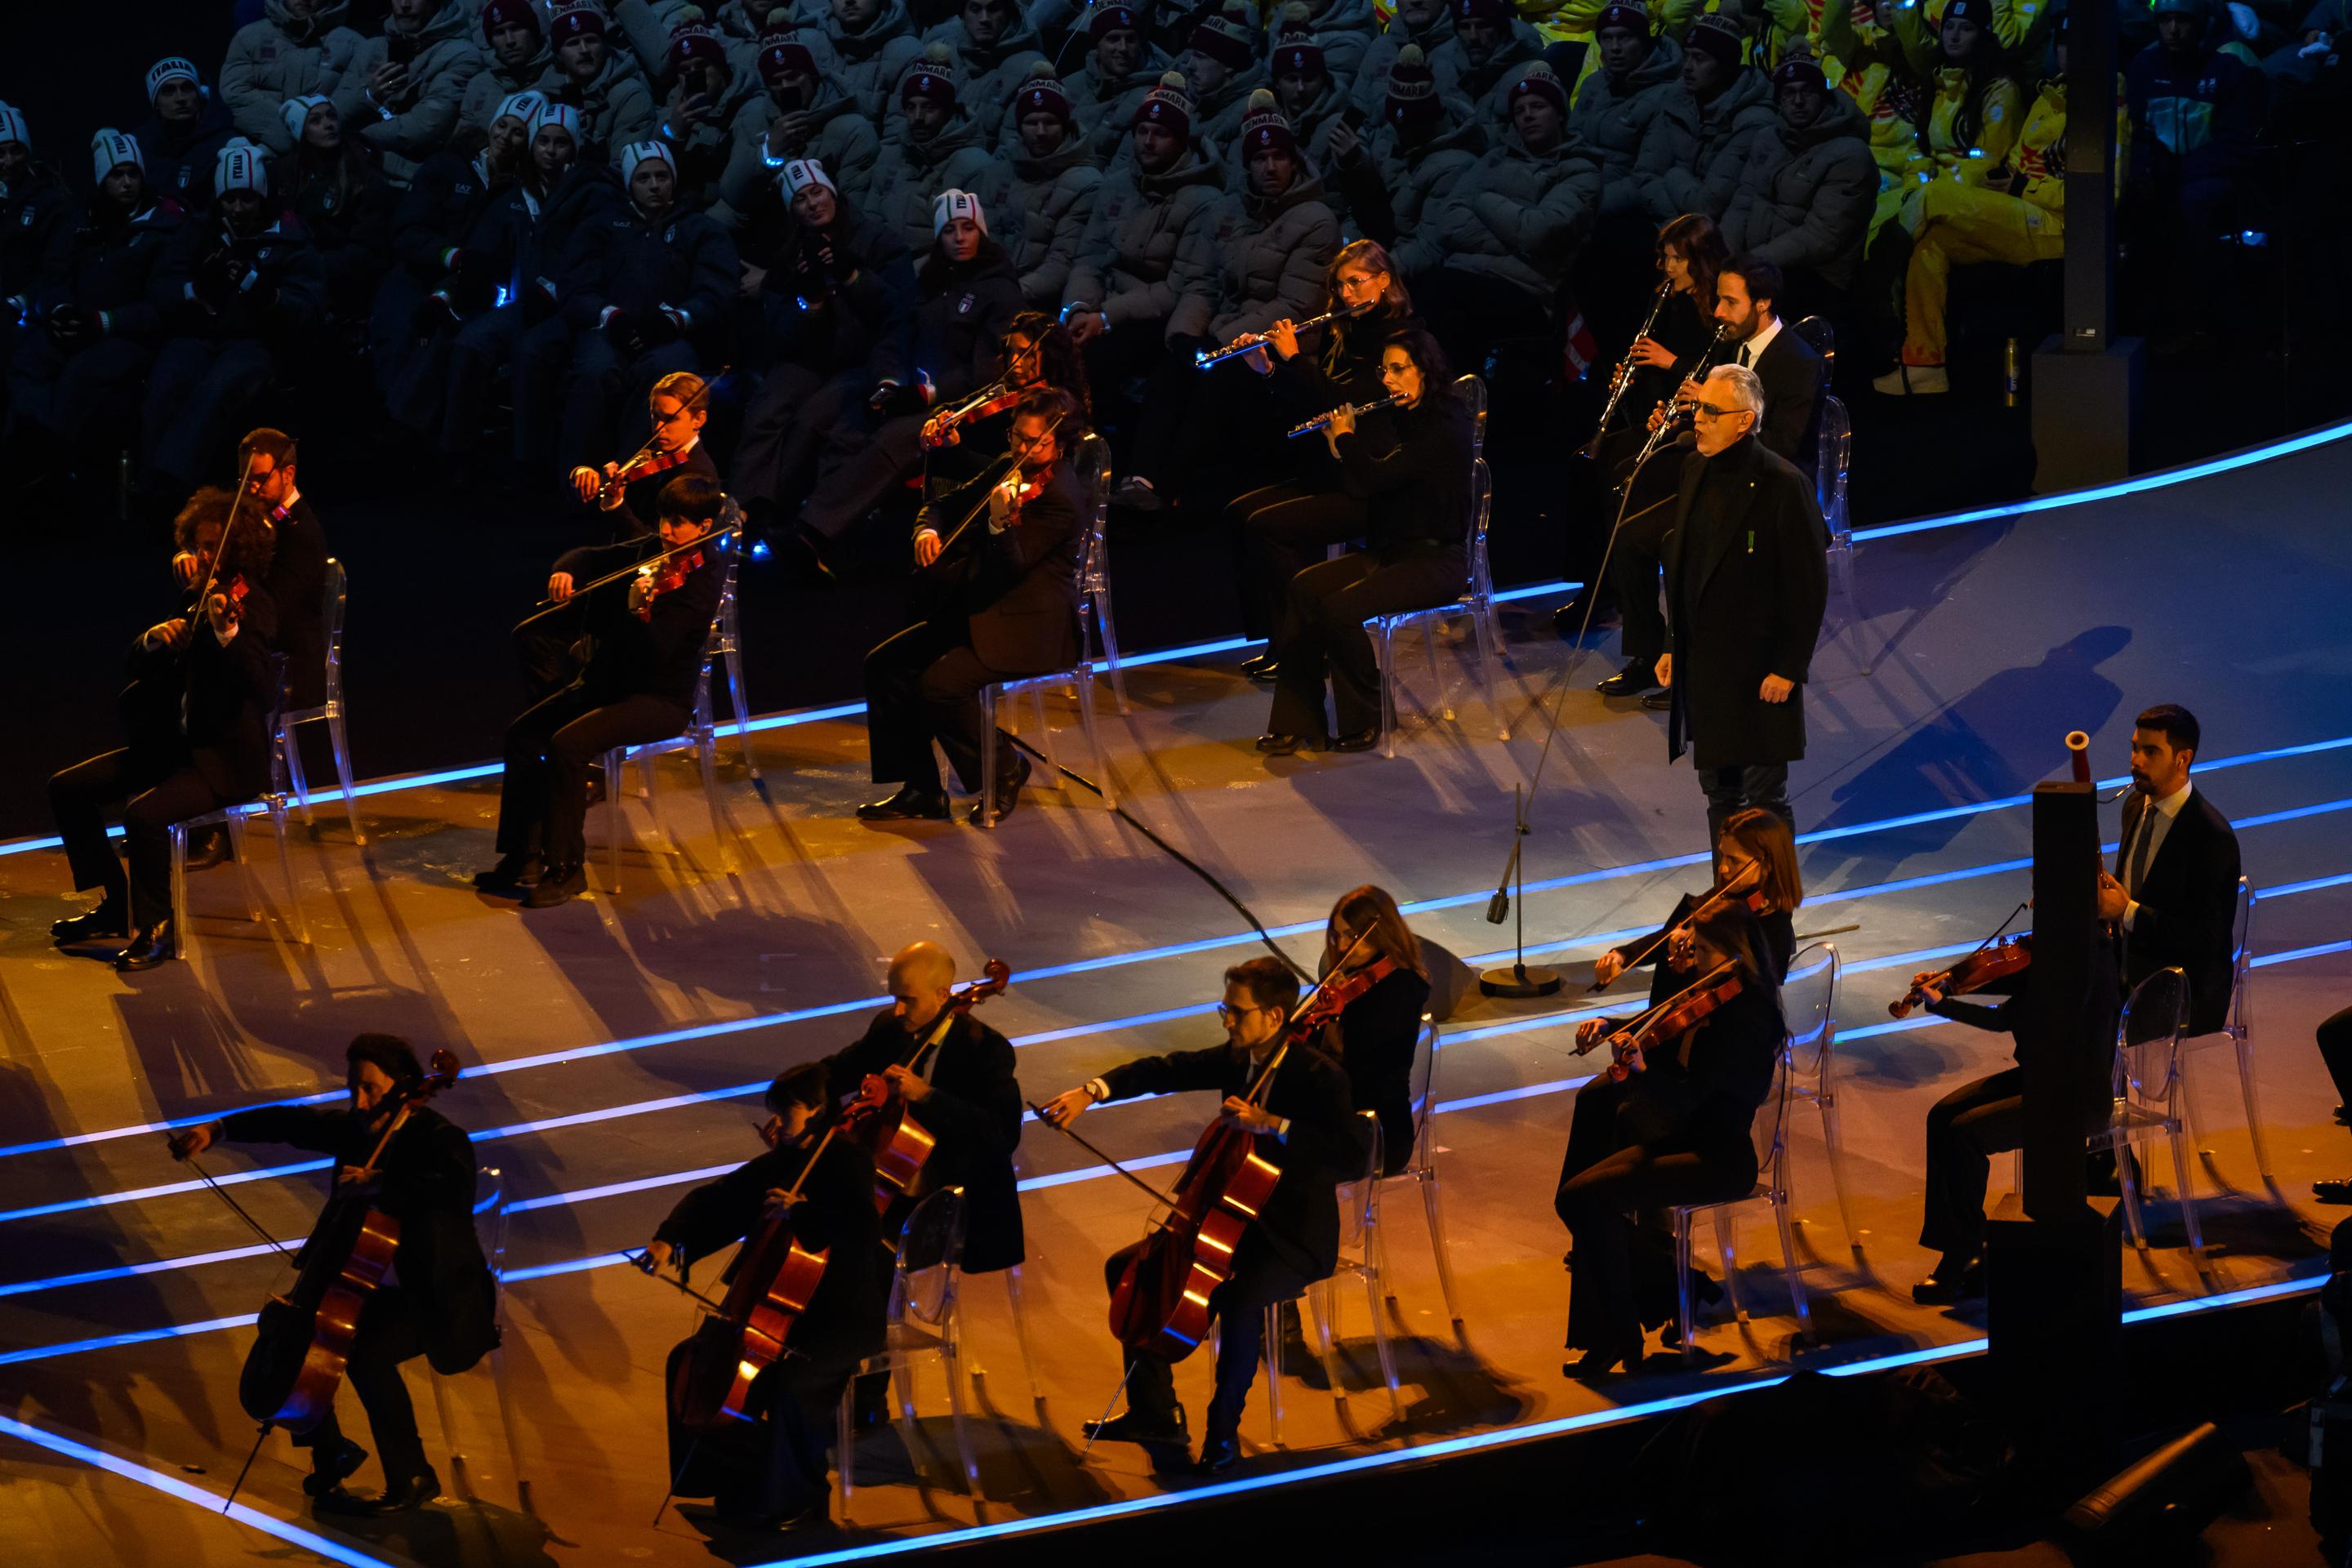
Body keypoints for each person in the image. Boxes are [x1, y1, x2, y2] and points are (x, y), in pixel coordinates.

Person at [1036, 955, 1357, 1472]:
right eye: (1224, 1010)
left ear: (1275, 1017)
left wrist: (1276, 1124)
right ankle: (1155, 1413)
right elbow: (1169, 1068)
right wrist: (1092, 1091)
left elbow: (1351, 1156)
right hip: (1229, 1222)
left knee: (1237, 1298)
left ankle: (1222, 1432)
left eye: (1237, 1011)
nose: (1228, 1021)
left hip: (1291, 1235)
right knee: (1129, 1269)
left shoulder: (1320, 1076)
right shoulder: (1239, 1060)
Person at [165, 1034, 499, 1512]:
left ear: (405, 1086)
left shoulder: (439, 1139)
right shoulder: (361, 1131)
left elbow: (451, 1191)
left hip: (434, 1294)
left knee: (364, 1353)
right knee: (298, 1331)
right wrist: (217, 1130)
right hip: (372, 1284)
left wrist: (380, 1183)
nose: (360, 1101)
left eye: (371, 1089)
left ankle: (412, 1475)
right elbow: (293, 1122)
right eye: (353, 1088)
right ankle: (332, 1452)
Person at [641, 1063, 884, 1532]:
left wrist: (806, 1213)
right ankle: (735, 1486)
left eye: (786, 1112)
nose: (776, 1122)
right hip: (782, 1314)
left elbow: (863, 1230)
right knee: (687, 1361)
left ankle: (801, 1499)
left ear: (816, 1110)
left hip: (840, 1316)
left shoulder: (847, 1160)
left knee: (790, 1384)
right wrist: (669, 1239)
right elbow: (718, 1198)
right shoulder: (783, 1161)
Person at [1554, 905, 1789, 1374]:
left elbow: (1693, 1098)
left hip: (1715, 1155)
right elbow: (1665, 1017)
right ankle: (1674, 1286)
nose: (1694, 959)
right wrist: (1619, 1026)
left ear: (1733, 953)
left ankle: (1620, 1336)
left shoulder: (1748, 1018)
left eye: (1703, 950)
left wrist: (1642, 1074)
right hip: (1680, 1137)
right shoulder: (1710, 993)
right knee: (1577, 1199)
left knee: (1585, 1202)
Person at [50, 490, 278, 968]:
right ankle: (117, 903)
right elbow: (136, 666)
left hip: (221, 761)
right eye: (198, 545)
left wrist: (226, 635)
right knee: (68, 788)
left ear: (237, 548)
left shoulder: (250, 604)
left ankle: (158, 929)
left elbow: (258, 687)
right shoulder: (197, 597)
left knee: (145, 817)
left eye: (213, 545)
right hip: (173, 748)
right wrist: (154, 639)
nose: (202, 555)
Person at [478, 472, 728, 905]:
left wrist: (639, 608)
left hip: (657, 699)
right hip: (610, 684)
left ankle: (567, 869)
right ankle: (523, 856)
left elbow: (654, 654)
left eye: (678, 524)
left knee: (567, 746)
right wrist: (565, 571)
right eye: (664, 520)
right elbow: (590, 556)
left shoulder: (700, 585)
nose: (666, 532)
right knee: (522, 736)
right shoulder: (656, 551)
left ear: (704, 528)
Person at [858, 387, 1085, 825]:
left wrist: (1001, 524)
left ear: (1059, 444)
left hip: (1026, 626)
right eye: (1017, 436)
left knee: (938, 686)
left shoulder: (1060, 499)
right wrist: (926, 531)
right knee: (884, 666)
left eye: (1034, 442)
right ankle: (922, 790)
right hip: (979, 608)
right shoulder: (1008, 467)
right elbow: (943, 504)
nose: (1022, 448)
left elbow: (1011, 570)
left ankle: (1004, 767)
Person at [1116, 92, 1339, 515]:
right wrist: (1185, 334)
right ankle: (1139, 480)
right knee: (1171, 370)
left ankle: (1167, 491)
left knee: (1213, 380)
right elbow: (1201, 281)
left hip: (1277, 347)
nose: (1269, 167)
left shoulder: (1316, 220)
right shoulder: (1228, 210)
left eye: (1278, 157)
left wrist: (1218, 340)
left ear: (1293, 161)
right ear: (1247, 164)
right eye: (1259, 159)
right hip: (1221, 333)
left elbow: (1293, 304)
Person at [1259, 327, 1471, 755]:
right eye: (1385, 370)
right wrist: (1344, 450)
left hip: (1435, 561)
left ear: (1425, 370)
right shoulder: (1406, 417)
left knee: (1338, 610)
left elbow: (1379, 476)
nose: (1388, 380)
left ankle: (1369, 715)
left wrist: (1346, 439)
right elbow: (1382, 482)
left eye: (1399, 370)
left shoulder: (1446, 422)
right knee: (1304, 587)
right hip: (1395, 552)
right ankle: (1297, 720)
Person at [1909, 893, 2123, 1304]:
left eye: (2042, 895)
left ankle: (1964, 1256)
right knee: (1942, 1116)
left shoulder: (2080, 961)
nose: (2032, 904)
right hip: (2044, 1078)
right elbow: (2015, 978)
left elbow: (2006, 1017)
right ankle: (1962, 1245)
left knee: (1962, 1135)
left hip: (2072, 1097)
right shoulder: (2069, 946)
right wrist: (1950, 980)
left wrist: (1946, 1005)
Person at [1655, 362, 1828, 845]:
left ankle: (1773, 913)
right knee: (1720, 798)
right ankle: (1726, 907)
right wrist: (1673, 642)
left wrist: (1789, 667)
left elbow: (1808, 586)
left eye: (1712, 410)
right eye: (1697, 407)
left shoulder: (1781, 484)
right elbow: (1685, 571)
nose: (1698, 418)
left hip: (1759, 673)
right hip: (1707, 670)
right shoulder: (1694, 468)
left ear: (1744, 420)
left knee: (1764, 800)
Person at [1875, 16, 2087, 398]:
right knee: (1931, 243)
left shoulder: (2105, 109)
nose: (2070, 52)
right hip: (2022, 211)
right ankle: (1925, 366)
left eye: (2081, 44)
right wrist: (2014, 180)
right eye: (2066, 43)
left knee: (1931, 199)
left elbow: (2100, 199)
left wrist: (2024, 185)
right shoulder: (2047, 96)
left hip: (2061, 228)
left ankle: (1874, 281)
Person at [1225, 239, 1419, 657]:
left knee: (1267, 527)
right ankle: (1280, 642)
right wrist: (1270, 370)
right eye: (1339, 287)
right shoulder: (1342, 332)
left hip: (1372, 479)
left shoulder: (1400, 340)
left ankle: (1306, 647)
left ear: (1384, 281)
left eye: (1355, 283)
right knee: (1238, 513)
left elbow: (1341, 403)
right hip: (1334, 468)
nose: (1345, 295)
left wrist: (1293, 362)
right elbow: (1313, 401)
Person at [728, 158, 917, 557]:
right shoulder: (789, 254)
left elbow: (898, 312)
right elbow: (780, 332)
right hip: (811, 358)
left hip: (866, 359)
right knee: (769, 404)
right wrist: (810, 303)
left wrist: (853, 277)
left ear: (832, 192)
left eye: (817, 192)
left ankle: (793, 521)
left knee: (815, 417)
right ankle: (746, 513)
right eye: (800, 199)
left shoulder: (878, 240)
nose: (812, 204)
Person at [1585, 212, 1732, 688]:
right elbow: (1657, 380)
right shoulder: (1665, 301)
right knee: (1596, 468)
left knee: (1627, 484)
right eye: (1664, 257)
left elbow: (1726, 382)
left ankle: (1647, 632)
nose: (1665, 267)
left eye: (1674, 258)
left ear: (1699, 260)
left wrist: (1671, 364)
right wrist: (1629, 389)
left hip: (1701, 433)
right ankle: (1610, 593)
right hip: (1666, 420)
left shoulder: (1722, 312)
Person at [818, 941, 1026, 1273]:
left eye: (908, 999)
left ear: (943, 996)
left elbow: (1003, 1133)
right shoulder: (892, 1026)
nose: (898, 1009)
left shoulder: (987, 1050)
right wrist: (797, 1098)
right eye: (895, 997)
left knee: (860, 1255)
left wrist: (929, 1096)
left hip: (947, 1197)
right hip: (892, 1180)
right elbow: (842, 1068)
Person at [553, 140, 737, 483]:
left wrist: (676, 319)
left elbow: (717, 291)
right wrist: (611, 316)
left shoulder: (700, 228)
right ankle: (579, 480)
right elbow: (576, 286)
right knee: (595, 371)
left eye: (662, 176)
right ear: (629, 184)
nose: (654, 185)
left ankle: (630, 483)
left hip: (671, 335)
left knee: (667, 376)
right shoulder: (602, 225)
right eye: (644, 178)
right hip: (607, 329)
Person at [1412, 61, 1601, 374]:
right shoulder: (1494, 159)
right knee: (1420, 298)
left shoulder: (1581, 171)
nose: (1527, 115)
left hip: (1523, 292)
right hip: (1462, 276)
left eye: (1538, 106)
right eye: (1520, 110)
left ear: (1560, 114)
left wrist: (1483, 202)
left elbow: (1538, 233)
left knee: (1448, 310)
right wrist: (1513, 237)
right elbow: (1449, 221)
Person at [8, 132, 180, 452]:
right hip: (79, 326)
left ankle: (60, 460)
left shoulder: (164, 227)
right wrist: (59, 309)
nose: (127, 182)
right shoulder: (83, 221)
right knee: (28, 361)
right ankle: (34, 452)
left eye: (133, 173)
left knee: (80, 376)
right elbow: (54, 272)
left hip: (132, 338)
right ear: (103, 178)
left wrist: (105, 320)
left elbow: (164, 303)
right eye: (117, 174)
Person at [2096, 704, 2243, 1037]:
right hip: (2128, 974)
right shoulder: (2135, 805)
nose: (2136, 761)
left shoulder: (2211, 837)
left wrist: (2127, 913)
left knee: (2080, 1033)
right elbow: (2134, 890)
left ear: (2182, 759)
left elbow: (2204, 942)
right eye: (2135, 748)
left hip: (2182, 995)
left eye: (2150, 752)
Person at [1718, 55, 1876, 309]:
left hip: (1816, 276)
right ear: (1779, 101)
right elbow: (1743, 202)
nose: (1798, 101)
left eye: (1808, 92)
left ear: (1823, 96)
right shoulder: (1768, 139)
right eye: (1789, 94)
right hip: (1760, 262)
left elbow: (1822, 238)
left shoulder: (1850, 154)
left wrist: (1749, 263)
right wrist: (1726, 257)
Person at [1329, 45, 1482, 272]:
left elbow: (1429, 247)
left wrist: (1374, 274)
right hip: (1381, 252)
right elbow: (1369, 212)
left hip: (1410, 275)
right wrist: (1354, 165)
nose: (1404, 131)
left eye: (1413, 125)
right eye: (1398, 123)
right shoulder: (1390, 137)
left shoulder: (1455, 165)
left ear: (1430, 118)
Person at [1320, 886, 1434, 1174]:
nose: (1343, 947)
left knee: (1286, 1156)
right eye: (1338, 936)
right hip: (1344, 1119)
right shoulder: (1351, 983)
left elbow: (1364, 1070)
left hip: (1378, 1132)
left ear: (1379, 934)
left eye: (1352, 936)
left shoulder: (1402, 989)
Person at [716, 31, 879, 221]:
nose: (786, 86)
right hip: (770, 220)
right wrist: (769, 151)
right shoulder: (753, 116)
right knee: (721, 217)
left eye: (793, 76)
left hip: (824, 217)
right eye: (776, 81)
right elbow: (732, 195)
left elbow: (855, 204)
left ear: (811, 76)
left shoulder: (850, 126)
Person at [1629, 11, 1775, 223]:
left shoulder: (1753, 120)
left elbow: (1707, 206)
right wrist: (1677, 225)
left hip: (1715, 238)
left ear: (1726, 66)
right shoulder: (1676, 100)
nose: (1687, 67)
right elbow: (1644, 175)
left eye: (1699, 58)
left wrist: (1673, 174)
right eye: (1687, 55)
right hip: (1669, 222)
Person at [329, 0, 484, 189]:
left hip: (410, 181)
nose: (404, 4)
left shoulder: (460, 54)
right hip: (353, 172)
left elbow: (425, 127)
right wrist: (369, 95)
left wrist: (352, 138)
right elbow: (333, 111)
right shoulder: (371, 48)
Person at [274, 97, 397, 325]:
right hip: (296, 276)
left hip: (342, 284)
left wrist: (312, 265)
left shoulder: (362, 176)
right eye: (316, 120)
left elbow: (367, 250)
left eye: (331, 116)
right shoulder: (285, 175)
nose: (328, 124)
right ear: (300, 131)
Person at [568, 370, 723, 540]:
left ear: (699, 420)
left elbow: (656, 545)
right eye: (655, 416)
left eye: (671, 419)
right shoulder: (653, 450)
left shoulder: (697, 476)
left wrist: (616, 506)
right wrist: (584, 475)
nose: (658, 428)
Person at [1004, 67, 1103, 310]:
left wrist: (1004, 293)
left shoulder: (1086, 183)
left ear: (1065, 125)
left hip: (1039, 302)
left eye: (1050, 122)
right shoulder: (1004, 169)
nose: (1040, 132)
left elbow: (1062, 263)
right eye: (1031, 122)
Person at [221, 0, 366, 155]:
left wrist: (319, 131)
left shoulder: (354, 44)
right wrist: (295, 133)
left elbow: (354, 96)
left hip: (332, 155)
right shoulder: (249, 37)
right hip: (264, 152)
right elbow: (236, 93)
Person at [541, 5, 661, 163]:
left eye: (591, 40)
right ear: (559, 54)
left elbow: (624, 168)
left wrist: (578, 137)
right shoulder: (543, 95)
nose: (584, 50)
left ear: (604, 45)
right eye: (573, 43)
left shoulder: (630, 95)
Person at [132, 57, 237, 215]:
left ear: (199, 95)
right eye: (169, 91)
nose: (180, 98)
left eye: (187, 88)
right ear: (156, 103)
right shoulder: (139, 145)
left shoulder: (225, 144)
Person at [460, 0, 556, 140]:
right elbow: (461, 139)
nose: (510, 41)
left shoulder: (560, 78)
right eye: (499, 33)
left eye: (516, 28)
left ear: (533, 31)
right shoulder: (479, 85)